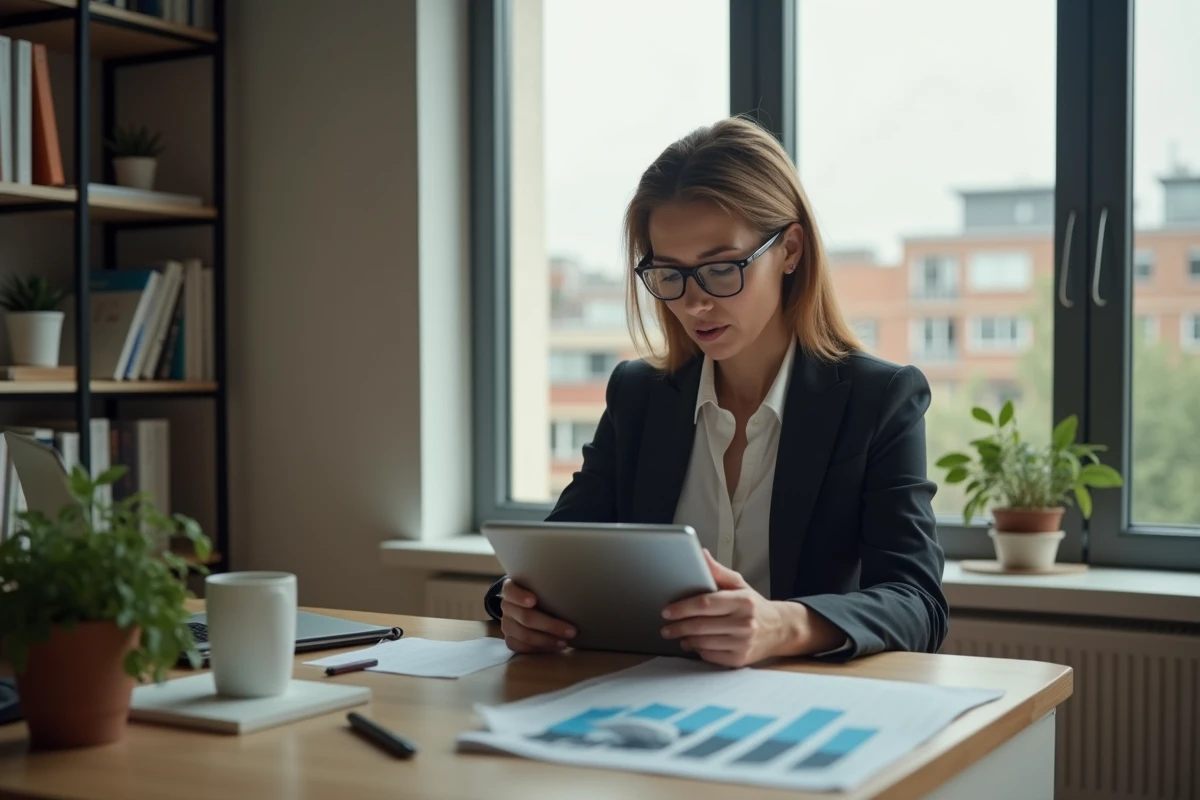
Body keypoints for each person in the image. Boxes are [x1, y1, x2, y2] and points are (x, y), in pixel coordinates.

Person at [483, 116, 947, 667]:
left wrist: (783, 625)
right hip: (649, 694)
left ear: (790, 249)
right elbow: (554, 555)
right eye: (669, 273)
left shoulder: (879, 399)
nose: (694, 302)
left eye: (721, 268)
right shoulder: (639, 396)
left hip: (805, 697)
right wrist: (516, 602)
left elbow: (918, 603)